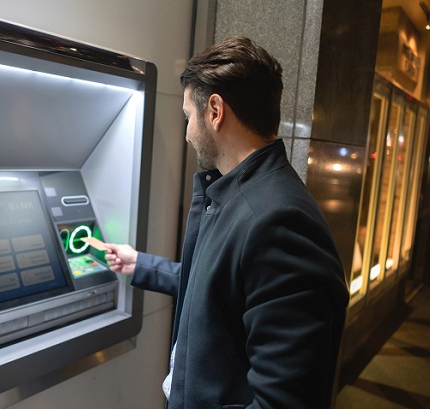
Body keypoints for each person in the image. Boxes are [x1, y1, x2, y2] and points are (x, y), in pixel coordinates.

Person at [105, 36, 349, 409]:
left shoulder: (279, 222)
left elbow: (284, 401)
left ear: (215, 111)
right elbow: (222, 287)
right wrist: (141, 265)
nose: (187, 133)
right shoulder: (241, 193)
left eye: (189, 116)